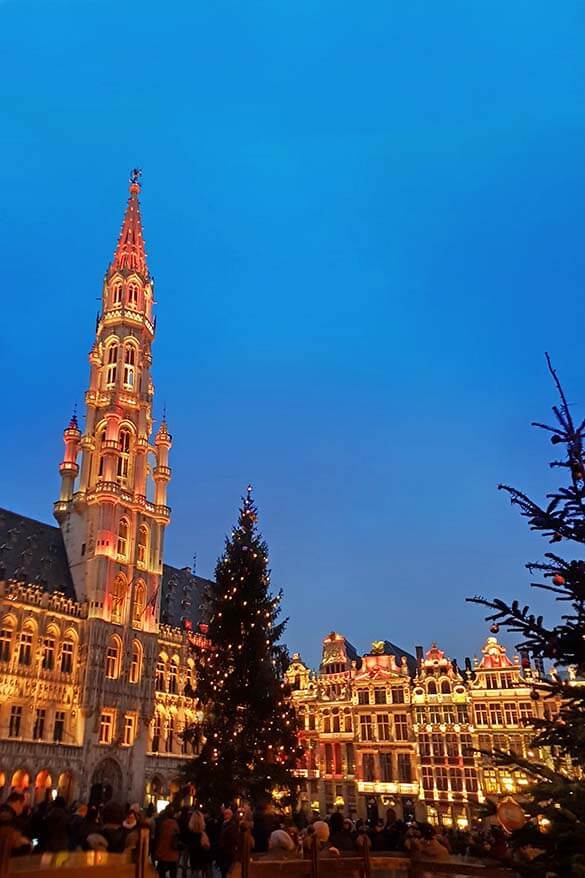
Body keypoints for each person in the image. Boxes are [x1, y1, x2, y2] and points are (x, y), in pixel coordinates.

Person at [154, 805, 180, 878]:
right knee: (173, 873)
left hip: (163, 852)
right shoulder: (175, 823)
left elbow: (159, 837)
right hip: (173, 853)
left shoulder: (163, 823)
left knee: (161, 872)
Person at [187, 810, 212, 877]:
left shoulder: (190, 832)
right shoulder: (203, 833)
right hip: (202, 855)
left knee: (194, 872)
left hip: (194, 855)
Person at [216, 809, 238, 878]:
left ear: (230, 815)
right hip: (224, 850)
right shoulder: (224, 823)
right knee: (224, 869)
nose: (225, 815)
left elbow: (232, 838)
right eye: (224, 814)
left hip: (227, 850)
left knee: (226, 868)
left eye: (227, 814)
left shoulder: (231, 825)